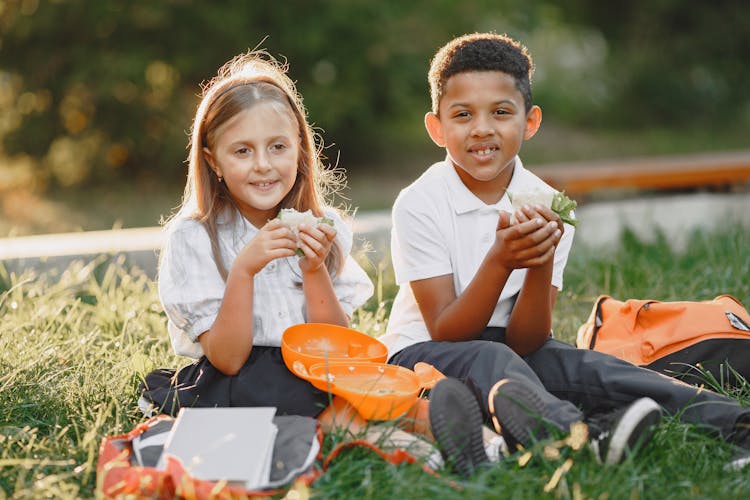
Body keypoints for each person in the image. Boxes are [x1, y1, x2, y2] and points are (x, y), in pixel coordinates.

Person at [379, 32, 750, 471]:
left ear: (530, 121)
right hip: (421, 354)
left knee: (593, 369)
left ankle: (737, 428)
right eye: (462, 115)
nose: (481, 128)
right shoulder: (420, 202)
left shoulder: (546, 202)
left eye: (501, 112)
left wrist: (540, 263)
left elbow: (528, 339)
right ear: (437, 128)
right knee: (490, 355)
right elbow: (445, 329)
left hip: (511, 352)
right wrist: (500, 260)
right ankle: (579, 438)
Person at [137, 49, 496, 478]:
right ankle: (406, 441)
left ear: (301, 150)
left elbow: (335, 341)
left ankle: (472, 434)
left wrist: (314, 270)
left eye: (277, 147)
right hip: (241, 377)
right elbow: (228, 359)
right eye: (242, 151)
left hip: (319, 367)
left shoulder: (324, 226)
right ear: (213, 160)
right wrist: (244, 270)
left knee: (358, 385)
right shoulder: (195, 237)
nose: (264, 165)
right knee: (306, 394)